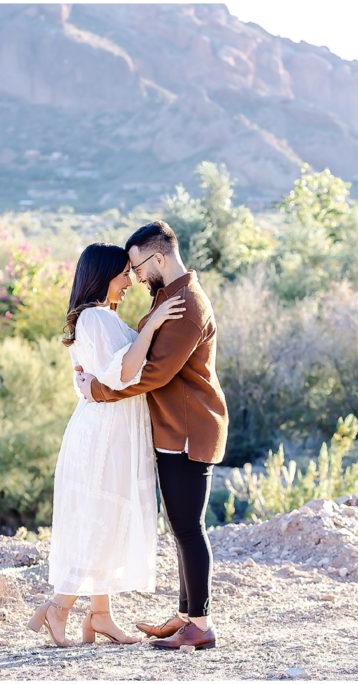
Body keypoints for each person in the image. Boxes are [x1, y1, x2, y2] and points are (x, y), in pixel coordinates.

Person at [75, 220, 228, 651]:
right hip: (172, 429)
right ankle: (185, 615)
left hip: (187, 430)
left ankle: (200, 624)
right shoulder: (166, 296)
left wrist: (99, 391)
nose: (135, 275)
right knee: (180, 525)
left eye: (138, 266)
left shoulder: (187, 305)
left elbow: (156, 372)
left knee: (188, 526)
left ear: (158, 257)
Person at [27, 242, 185, 647]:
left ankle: (100, 614)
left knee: (107, 518)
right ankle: (58, 608)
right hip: (103, 433)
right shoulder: (96, 317)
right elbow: (123, 374)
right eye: (123, 274)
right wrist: (151, 326)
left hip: (113, 428)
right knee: (98, 520)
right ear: (104, 275)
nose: (130, 281)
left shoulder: (102, 318)